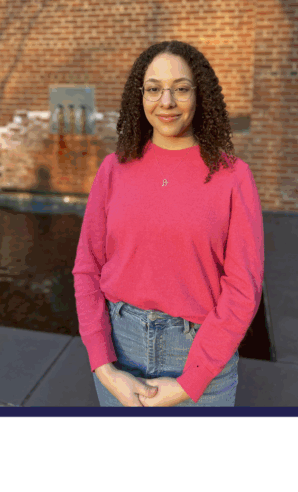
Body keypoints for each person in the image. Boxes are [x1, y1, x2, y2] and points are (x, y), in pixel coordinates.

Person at [72, 40, 265, 406]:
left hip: (200, 357)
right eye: (154, 89)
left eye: (180, 88)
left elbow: (244, 288)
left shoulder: (232, 176)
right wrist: (103, 365)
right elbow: (87, 269)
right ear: (139, 96)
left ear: (200, 95)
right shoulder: (114, 169)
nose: (166, 102)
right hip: (120, 348)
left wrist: (191, 381)